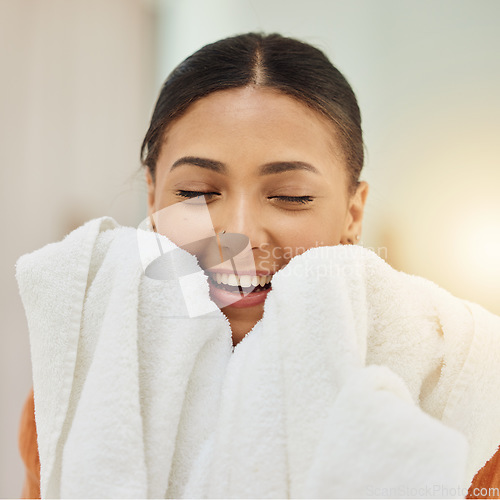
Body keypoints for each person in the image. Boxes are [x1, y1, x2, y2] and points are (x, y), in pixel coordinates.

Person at [18, 32, 499, 498]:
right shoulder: (80, 391)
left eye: (291, 196)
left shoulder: (464, 387)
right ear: (152, 194)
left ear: (353, 213)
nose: (237, 234)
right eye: (195, 193)